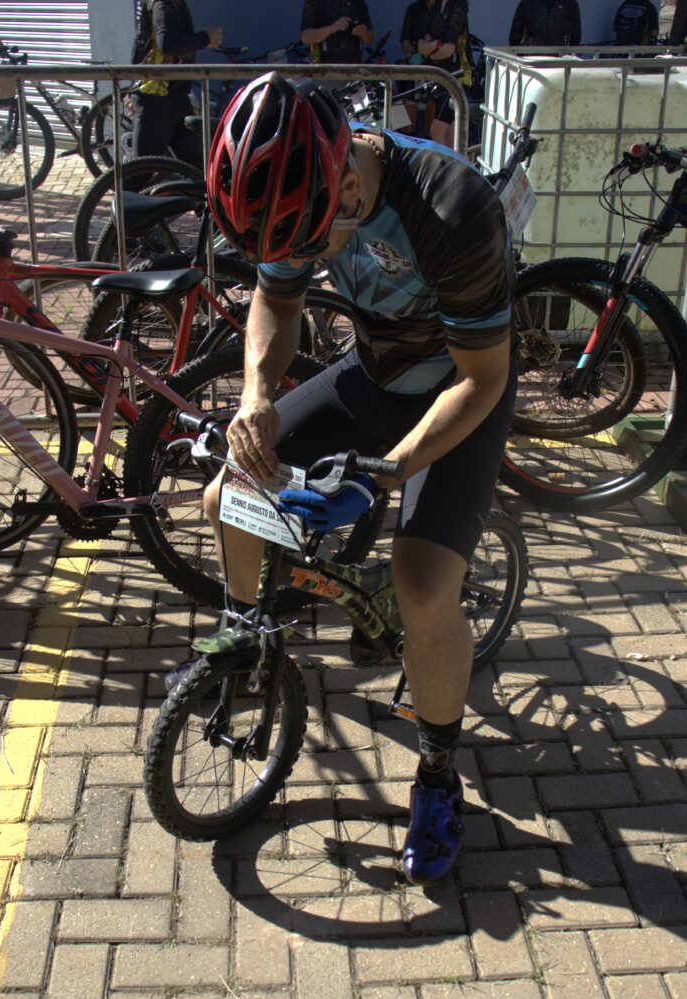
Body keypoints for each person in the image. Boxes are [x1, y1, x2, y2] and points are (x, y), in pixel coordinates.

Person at [204, 72, 516, 886]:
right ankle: (243, 645)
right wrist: (256, 395)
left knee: (422, 585)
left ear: (347, 185)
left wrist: (386, 474)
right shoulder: (299, 195)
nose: (303, 260)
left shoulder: (450, 206)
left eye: (312, 244)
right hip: (374, 373)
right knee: (228, 494)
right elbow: (276, 302)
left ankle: (438, 776)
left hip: (461, 388)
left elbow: (481, 378)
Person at [130, 0, 222, 168]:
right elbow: (167, 43)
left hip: (174, 97)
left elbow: (141, 42)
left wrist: (132, 85)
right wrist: (205, 38)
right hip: (157, 98)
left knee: (196, 167)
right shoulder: (164, 2)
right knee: (141, 173)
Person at [399, 0, 472, 146]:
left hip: (457, 78)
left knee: (437, 129)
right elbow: (420, 45)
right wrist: (434, 46)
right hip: (437, 77)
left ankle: (448, 160)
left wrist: (430, 48)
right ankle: (450, 159)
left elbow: (447, 50)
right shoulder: (432, 8)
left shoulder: (458, 6)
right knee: (443, 131)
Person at [301, 0, 374, 64]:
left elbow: (370, 39)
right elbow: (306, 37)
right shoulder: (314, 2)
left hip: (354, 67)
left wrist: (364, 33)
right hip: (324, 68)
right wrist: (331, 29)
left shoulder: (358, 2)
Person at [508, 0, 582, 48]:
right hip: (531, 60)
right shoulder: (526, 4)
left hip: (561, 60)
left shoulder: (570, 4)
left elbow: (576, 37)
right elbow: (514, 39)